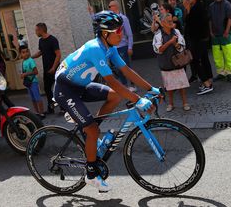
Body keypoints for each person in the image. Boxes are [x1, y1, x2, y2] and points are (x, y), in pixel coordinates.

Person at [54, 11, 160, 192]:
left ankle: (90, 128)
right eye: (118, 31)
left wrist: (151, 89)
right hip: (65, 89)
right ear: (105, 33)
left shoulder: (109, 48)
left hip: (81, 85)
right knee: (93, 130)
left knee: (115, 96)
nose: (122, 34)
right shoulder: (95, 48)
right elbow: (112, 81)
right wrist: (138, 100)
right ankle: (91, 173)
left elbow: (126, 70)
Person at [153, 13, 190, 112]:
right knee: (169, 87)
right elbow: (159, 50)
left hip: (177, 63)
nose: (171, 23)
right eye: (169, 21)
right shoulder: (158, 35)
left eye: (172, 21)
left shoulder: (176, 32)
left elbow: (182, 47)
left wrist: (176, 44)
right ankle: (170, 104)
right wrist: (170, 42)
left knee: (181, 85)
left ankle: (185, 103)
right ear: (163, 23)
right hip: (166, 64)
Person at [183, 0, 214, 95]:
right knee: (204, 59)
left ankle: (207, 84)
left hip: (197, 39)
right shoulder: (200, 6)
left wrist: (187, 10)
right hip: (201, 38)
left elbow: (189, 23)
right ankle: (208, 81)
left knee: (196, 60)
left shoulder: (196, 8)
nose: (186, 0)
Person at [32, 23, 61, 114]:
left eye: (36, 30)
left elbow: (58, 54)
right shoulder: (41, 41)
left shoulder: (53, 40)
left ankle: (63, 108)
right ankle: (51, 107)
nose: (35, 32)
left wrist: (53, 67)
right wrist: (31, 57)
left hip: (55, 69)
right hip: (46, 69)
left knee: (59, 89)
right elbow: (41, 51)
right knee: (47, 89)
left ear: (41, 30)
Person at [108, 1, 136, 92]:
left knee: (126, 67)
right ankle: (125, 86)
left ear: (115, 7)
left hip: (123, 46)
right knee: (118, 68)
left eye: (110, 6)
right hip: (114, 47)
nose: (108, 8)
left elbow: (129, 34)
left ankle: (132, 84)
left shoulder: (123, 18)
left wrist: (130, 47)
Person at [209, 0, 231, 82]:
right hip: (215, 35)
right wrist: (210, 31)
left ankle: (229, 73)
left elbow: (230, 18)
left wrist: (227, 31)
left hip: (225, 34)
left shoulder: (227, 4)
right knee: (217, 55)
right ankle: (221, 73)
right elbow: (209, 19)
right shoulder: (211, 6)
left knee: (228, 54)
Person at [19, 45, 45, 119]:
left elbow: (35, 72)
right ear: (20, 54)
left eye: (27, 51)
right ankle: (37, 112)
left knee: (37, 98)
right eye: (23, 52)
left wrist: (25, 74)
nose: (26, 53)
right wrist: (23, 75)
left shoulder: (31, 60)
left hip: (33, 82)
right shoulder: (23, 62)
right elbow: (24, 72)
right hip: (28, 83)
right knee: (33, 98)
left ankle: (42, 113)